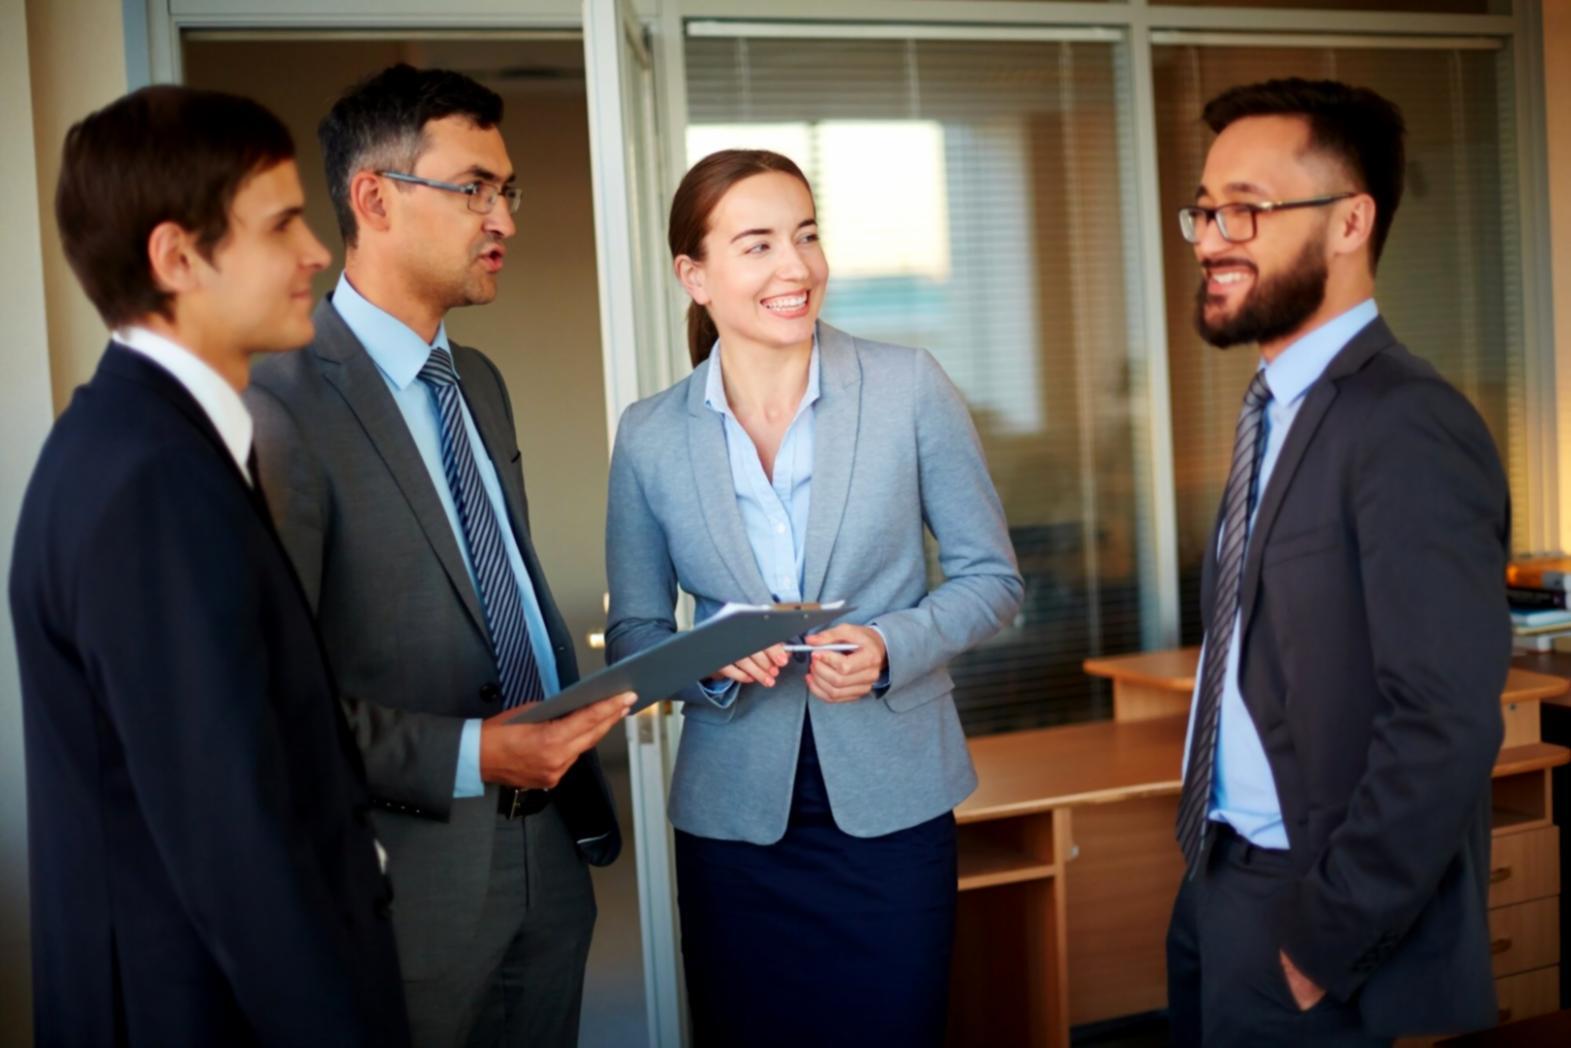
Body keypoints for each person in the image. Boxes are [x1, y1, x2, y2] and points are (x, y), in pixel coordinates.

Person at [8, 85, 408, 1046]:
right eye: (281, 225)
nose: (316, 252)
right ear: (176, 256)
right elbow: (232, 839)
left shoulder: (148, 446)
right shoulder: (148, 480)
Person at [243, 64, 631, 1048]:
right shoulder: (277, 405)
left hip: (547, 851)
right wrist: (476, 752)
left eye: (507, 191)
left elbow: (489, 584)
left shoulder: (480, 382)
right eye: (474, 189)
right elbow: (269, 702)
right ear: (372, 198)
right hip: (403, 879)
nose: (502, 217)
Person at [605, 149, 1024, 1046]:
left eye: (805, 236)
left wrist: (889, 646)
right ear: (695, 274)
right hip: (731, 822)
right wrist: (709, 657)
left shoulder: (908, 386)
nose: (794, 267)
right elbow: (634, 629)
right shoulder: (648, 435)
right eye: (756, 245)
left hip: (891, 806)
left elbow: (993, 580)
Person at [1166, 78, 1510, 1045]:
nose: (1207, 237)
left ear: (1351, 220)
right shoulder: (1275, 409)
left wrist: (1325, 940)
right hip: (1218, 879)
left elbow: (1441, 723)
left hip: (1313, 920)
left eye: (1246, 208)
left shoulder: (1405, 424)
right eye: (1203, 209)